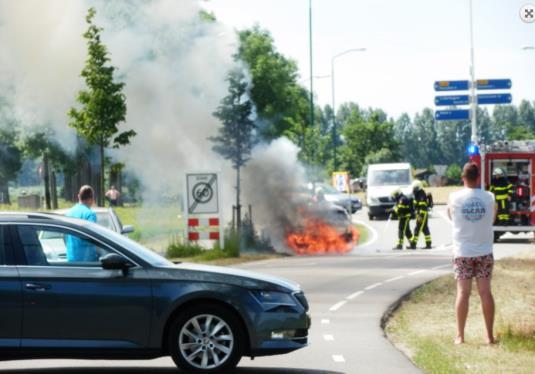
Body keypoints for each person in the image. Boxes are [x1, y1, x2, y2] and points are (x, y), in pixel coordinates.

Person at [447, 162, 496, 345]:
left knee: (463, 293)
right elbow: (492, 217)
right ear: (478, 178)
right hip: (484, 251)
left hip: (462, 252)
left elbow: (451, 216)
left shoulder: (453, 197)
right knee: (485, 292)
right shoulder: (489, 197)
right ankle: (489, 335)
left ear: (463, 178)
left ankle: (460, 335)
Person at [66, 185, 98, 262]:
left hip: (71, 260)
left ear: (78, 196)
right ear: (91, 199)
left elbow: (65, 237)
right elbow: (94, 238)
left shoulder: (69, 213)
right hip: (87, 262)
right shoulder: (89, 214)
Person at [410, 180, 433, 249]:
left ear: (418, 187)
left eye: (415, 188)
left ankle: (413, 244)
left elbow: (423, 206)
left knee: (417, 229)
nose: (413, 189)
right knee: (425, 228)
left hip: (422, 214)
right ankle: (428, 244)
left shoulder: (421, 194)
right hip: (420, 214)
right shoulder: (418, 193)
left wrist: (420, 215)